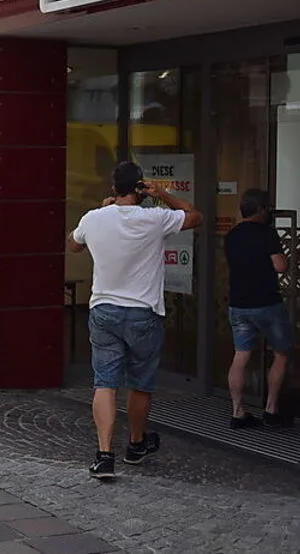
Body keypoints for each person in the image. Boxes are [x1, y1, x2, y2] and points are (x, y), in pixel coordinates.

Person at [68, 162, 203, 480]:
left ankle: (104, 455)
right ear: (141, 188)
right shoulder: (155, 218)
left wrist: (103, 210)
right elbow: (195, 216)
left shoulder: (94, 218)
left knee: (105, 383)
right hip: (144, 312)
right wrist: (164, 194)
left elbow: (72, 244)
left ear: (114, 188)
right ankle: (136, 444)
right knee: (140, 384)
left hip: (104, 311)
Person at [224, 189, 294, 429]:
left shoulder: (231, 236)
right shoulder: (267, 234)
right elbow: (280, 266)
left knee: (241, 356)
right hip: (267, 304)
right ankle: (271, 410)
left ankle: (237, 412)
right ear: (262, 210)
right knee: (282, 353)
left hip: (239, 304)